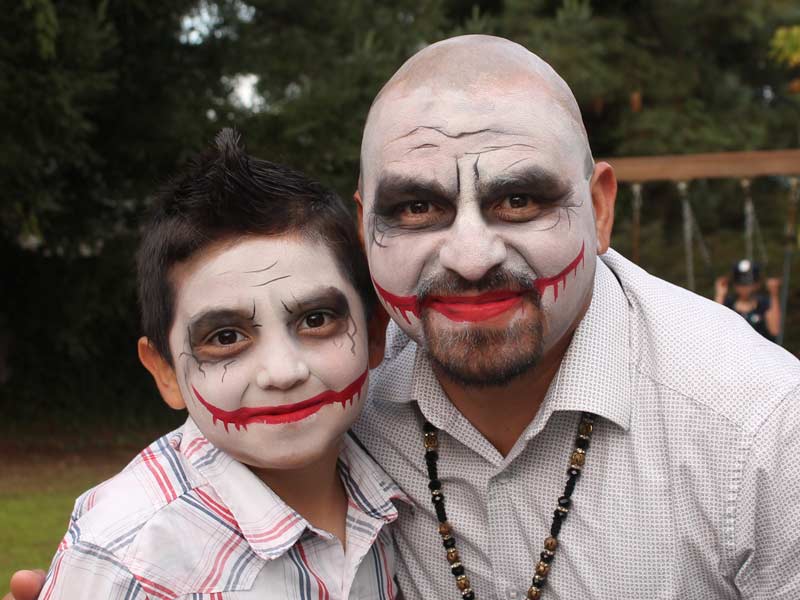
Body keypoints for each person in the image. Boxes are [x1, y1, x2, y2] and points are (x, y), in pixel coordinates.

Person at [7, 35, 800, 600]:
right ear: (364, 229)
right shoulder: (336, 385)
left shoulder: (760, 431)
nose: (468, 254)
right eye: (417, 206)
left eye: (518, 198)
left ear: (599, 207)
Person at [19, 128, 406, 599]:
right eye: (225, 337)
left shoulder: (396, 485)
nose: (283, 372)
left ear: (373, 334)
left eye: (316, 319)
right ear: (165, 371)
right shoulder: (131, 558)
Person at [715, 259, 782, 341]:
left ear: (758, 284)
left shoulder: (764, 304)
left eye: (749, 283)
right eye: (740, 283)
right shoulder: (728, 304)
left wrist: (773, 294)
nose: (745, 288)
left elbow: (775, 330)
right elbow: (716, 327)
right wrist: (720, 295)